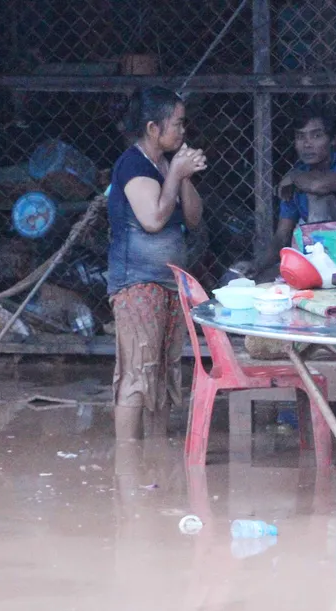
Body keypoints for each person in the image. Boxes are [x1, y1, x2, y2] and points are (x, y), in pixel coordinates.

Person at [107, 86, 207, 441]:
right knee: (138, 372)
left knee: (164, 370)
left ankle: (156, 452)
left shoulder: (166, 164)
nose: (183, 130)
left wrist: (183, 176)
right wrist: (176, 175)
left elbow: (193, 218)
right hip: (137, 283)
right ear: (153, 128)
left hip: (169, 283)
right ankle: (127, 458)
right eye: (177, 123)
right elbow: (152, 220)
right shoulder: (132, 165)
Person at [252, 100, 336, 277]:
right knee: (258, 278)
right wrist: (257, 266)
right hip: (321, 256)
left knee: (318, 195)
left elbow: (319, 186)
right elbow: (282, 236)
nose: (307, 144)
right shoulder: (298, 178)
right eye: (300, 137)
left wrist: (293, 176)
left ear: (333, 140)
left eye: (316, 136)